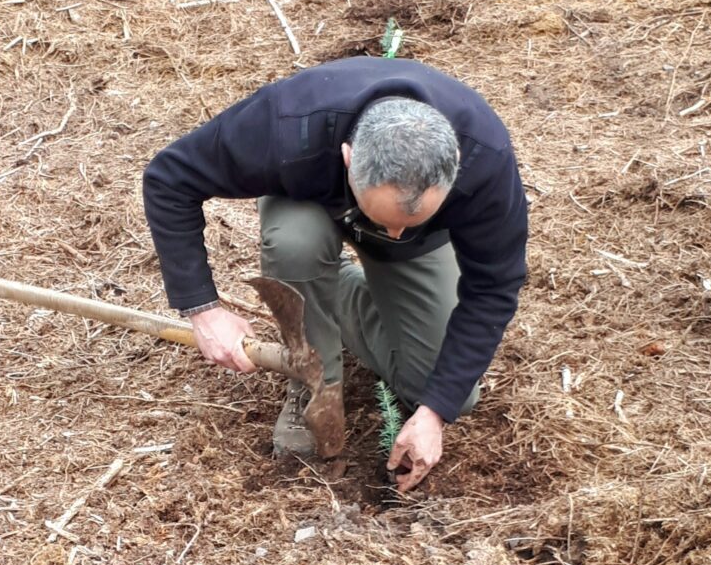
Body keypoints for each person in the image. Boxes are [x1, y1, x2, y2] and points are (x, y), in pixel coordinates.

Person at [142, 57, 528, 493]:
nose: (395, 232)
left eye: (411, 218)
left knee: (446, 389)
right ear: (348, 159)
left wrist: (435, 412)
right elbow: (168, 178)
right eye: (384, 218)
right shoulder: (288, 124)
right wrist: (204, 310)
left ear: (455, 163)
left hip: (418, 246)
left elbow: (495, 284)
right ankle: (312, 383)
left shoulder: (485, 158)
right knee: (295, 245)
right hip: (309, 203)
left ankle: (332, 291)